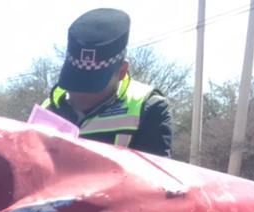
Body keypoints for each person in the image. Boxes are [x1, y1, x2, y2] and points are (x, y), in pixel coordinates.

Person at [39, 8, 173, 157]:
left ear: (122, 71)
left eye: (92, 84)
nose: (80, 93)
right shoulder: (49, 108)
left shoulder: (148, 108)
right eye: (75, 81)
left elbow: (153, 177)